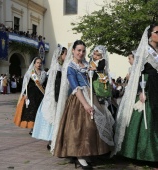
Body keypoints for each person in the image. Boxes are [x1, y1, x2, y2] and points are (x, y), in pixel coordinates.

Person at [52, 40, 114, 169]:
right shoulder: (70, 67)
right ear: (73, 51)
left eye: (83, 51)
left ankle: (88, 153)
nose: (81, 53)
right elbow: (75, 88)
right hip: (79, 99)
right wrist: (85, 104)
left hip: (92, 95)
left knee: (92, 128)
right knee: (81, 129)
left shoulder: (87, 64)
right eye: (79, 50)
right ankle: (80, 157)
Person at [112, 24, 158, 162]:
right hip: (147, 85)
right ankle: (145, 152)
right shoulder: (144, 50)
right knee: (147, 117)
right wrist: (140, 92)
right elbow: (138, 72)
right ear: (150, 34)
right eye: (157, 31)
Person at [32, 45, 67, 150]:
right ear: (60, 55)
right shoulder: (57, 68)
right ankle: (52, 141)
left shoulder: (59, 66)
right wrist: (57, 98)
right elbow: (56, 84)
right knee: (55, 118)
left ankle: (54, 140)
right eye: (65, 53)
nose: (67, 55)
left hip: (51, 95)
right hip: (53, 97)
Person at [13, 57, 46, 135]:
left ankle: (38, 127)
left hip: (41, 94)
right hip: (31, 95)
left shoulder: (44, 74)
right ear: (34, 64)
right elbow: (25, 84)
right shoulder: (30, 73)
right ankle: (32, 128)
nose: (39, 64)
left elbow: (44, 84)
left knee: (40, 111)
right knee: (33, 110)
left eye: (40, 63)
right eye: (37, 63)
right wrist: (25, 94)